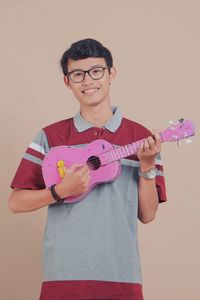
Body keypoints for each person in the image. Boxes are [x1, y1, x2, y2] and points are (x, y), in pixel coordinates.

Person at [9, 38, 167, 300]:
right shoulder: (50, 136)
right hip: (63, 275)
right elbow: (16, 202)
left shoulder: (140, 138)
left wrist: (147, 167)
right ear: (67, 81)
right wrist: (59, 191)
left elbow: (148, 214)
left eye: (96, 71)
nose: (88, 81)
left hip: (121, 274)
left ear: (111, 74)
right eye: (78, 74)